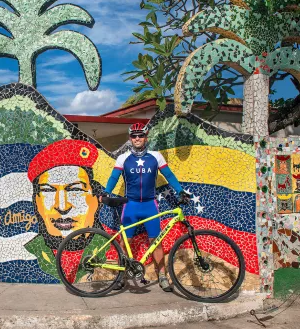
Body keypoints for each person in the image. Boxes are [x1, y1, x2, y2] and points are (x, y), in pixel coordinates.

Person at [103, 122, 189, 291]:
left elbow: (169, 175)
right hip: (131, 205)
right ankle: (121, 275)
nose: (137, 138)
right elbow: (114, 177)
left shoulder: (156, 156)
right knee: (124, 242)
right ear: (130, 138)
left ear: (145, 137)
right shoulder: (123, 158)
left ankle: (162, 276)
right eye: (134, 136)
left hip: (150, 204)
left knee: (156, 242)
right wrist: (106, 192)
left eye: (140, 135)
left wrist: (180, 191)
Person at [24, 139, 103, 279]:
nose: (62, 206)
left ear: (96, 199)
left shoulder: (110, 248)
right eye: (48, 190)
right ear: (36, 202)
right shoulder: (29, 252)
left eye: (76, 189)